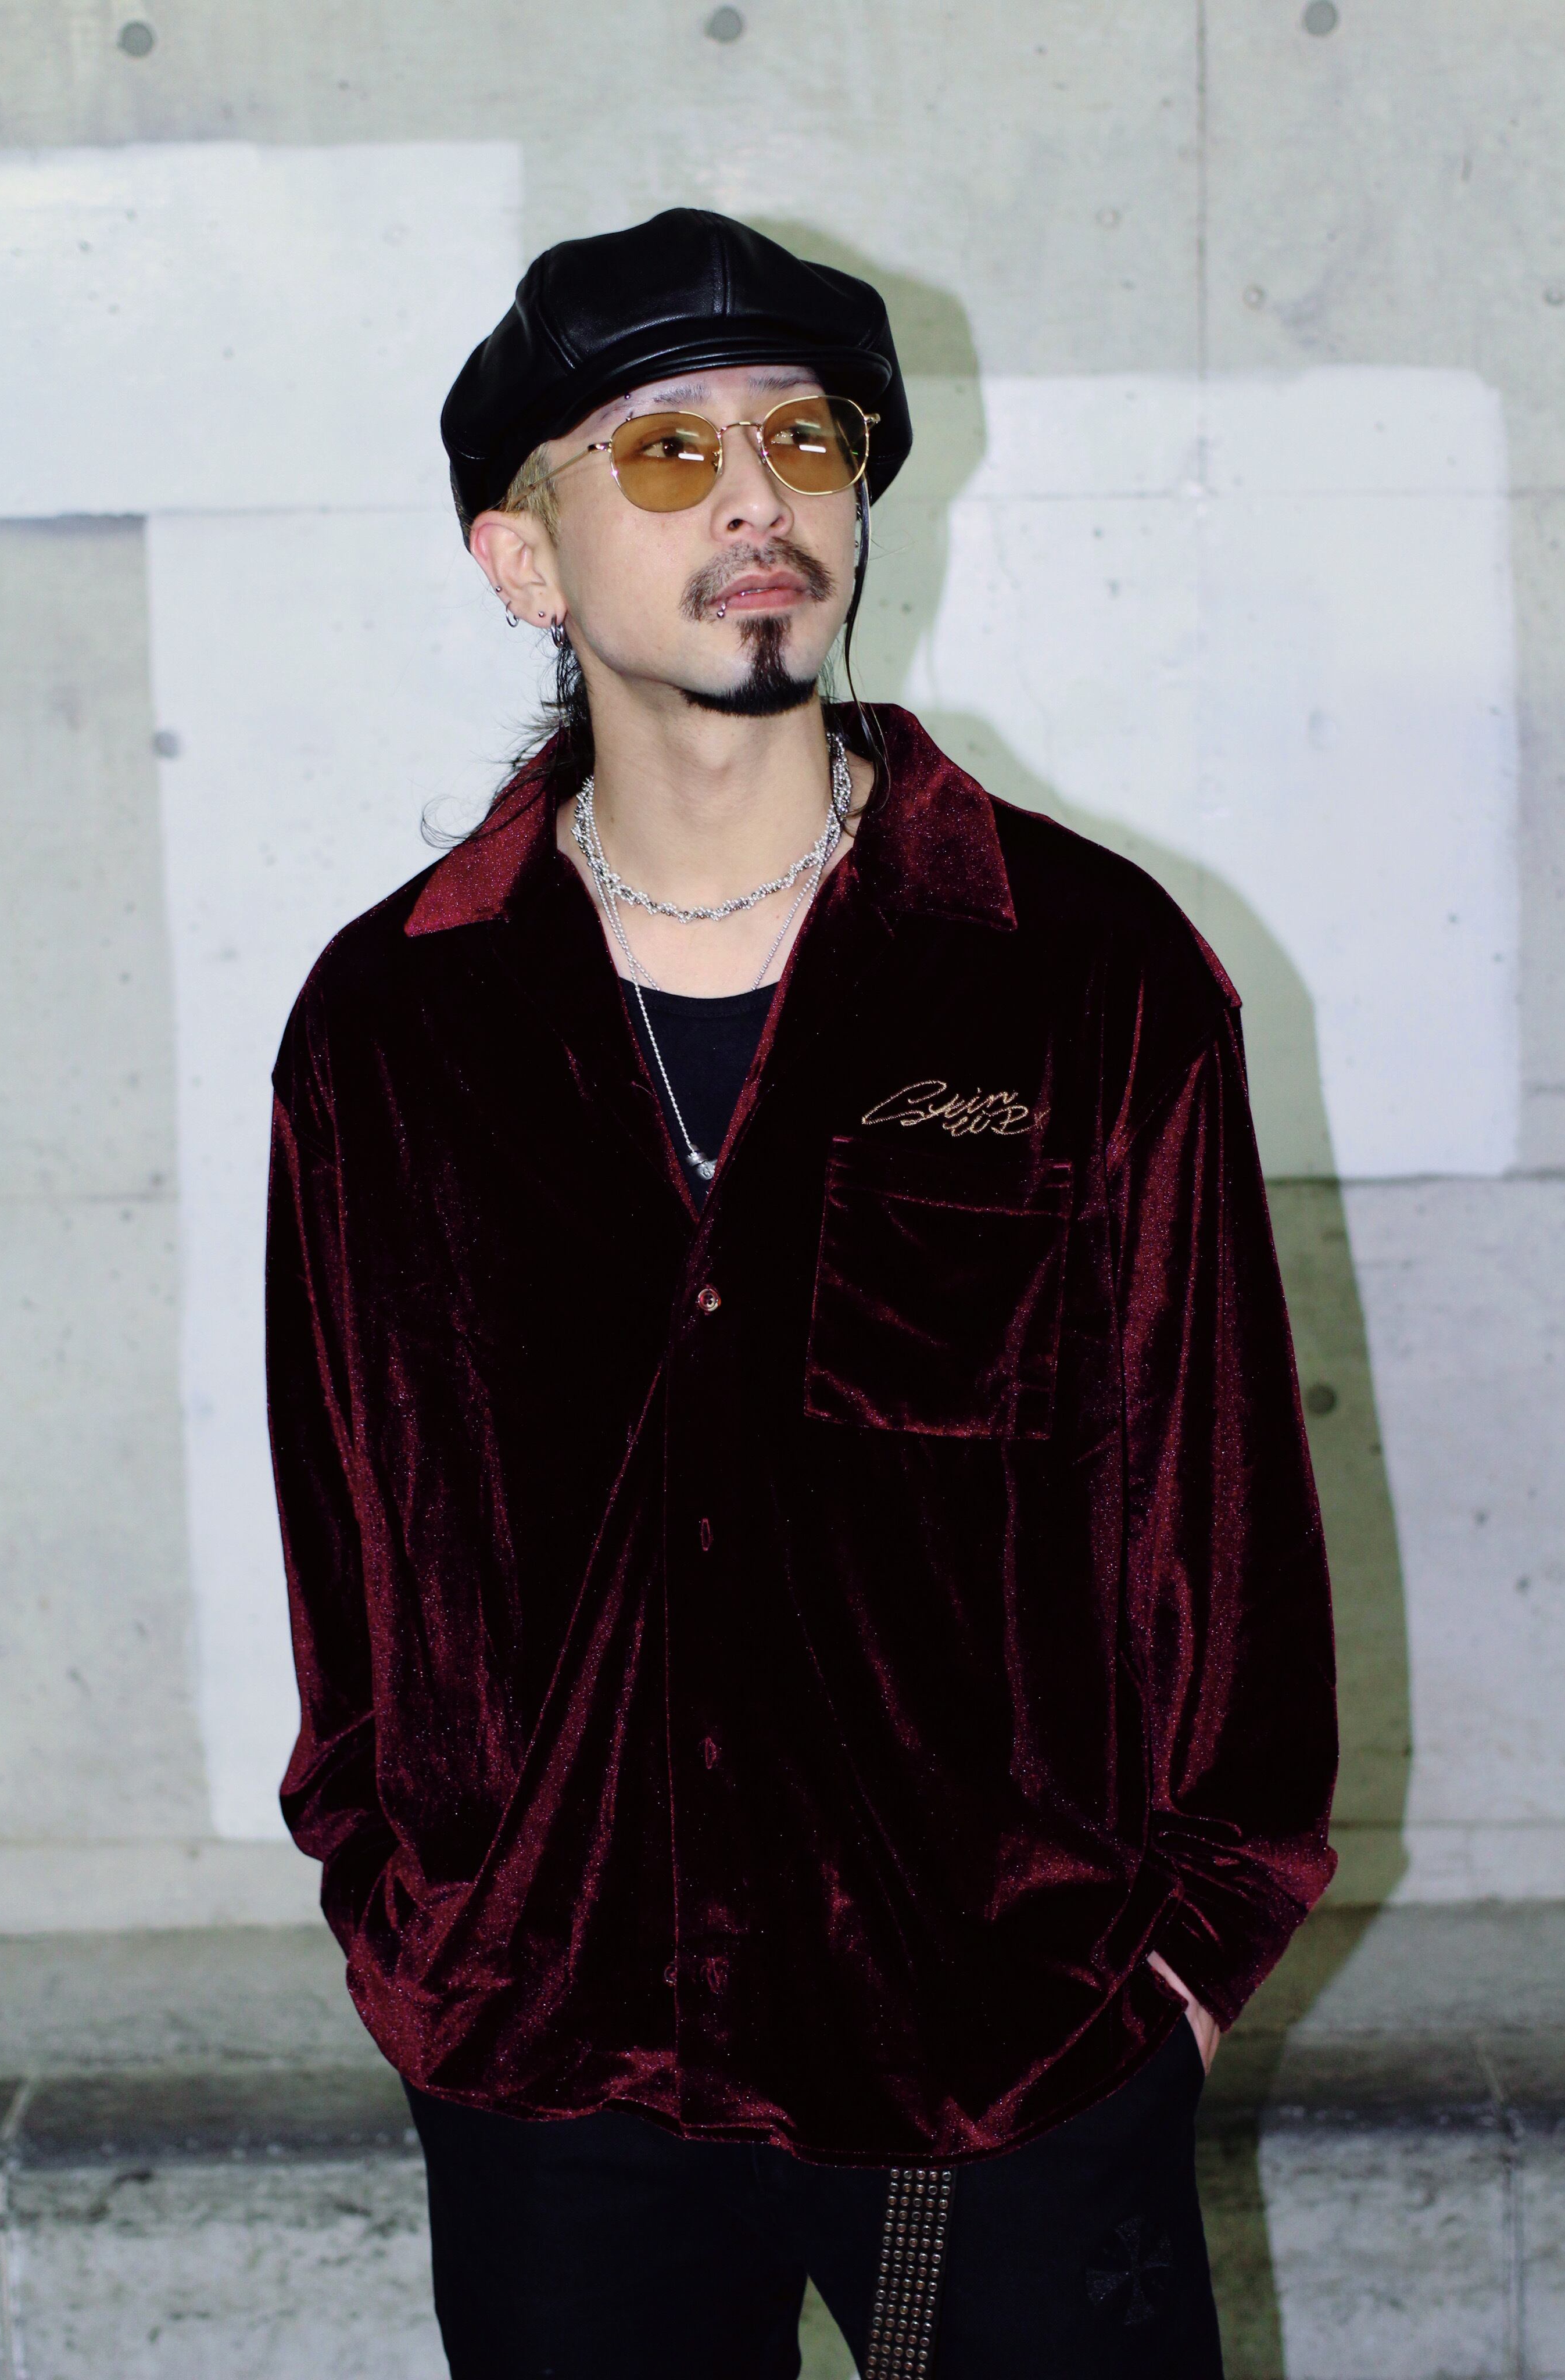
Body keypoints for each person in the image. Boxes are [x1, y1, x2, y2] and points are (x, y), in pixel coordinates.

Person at [266, 210, 1338, 2379]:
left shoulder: (1077, 973)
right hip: (552, 2060)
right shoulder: (397, 1024)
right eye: (666, 453)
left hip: (992, 2060)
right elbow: (350, 1529)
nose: (756, 497)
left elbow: (1217, 1508)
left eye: (805, 439)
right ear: (524, 559)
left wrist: (1178, 1965)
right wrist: (410, 1921)